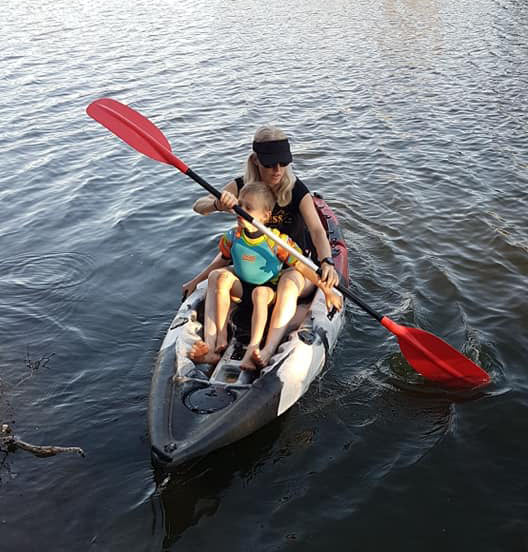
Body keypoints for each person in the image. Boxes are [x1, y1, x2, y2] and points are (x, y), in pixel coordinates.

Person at [183, 125, 341, 369]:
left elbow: (318, 231)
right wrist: (218, 203)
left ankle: (266, 349)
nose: (277, 170)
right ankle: (215, 346)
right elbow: (199, 207)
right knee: (218, 277)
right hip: (254, 269)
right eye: (269, 164)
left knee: (289, 280)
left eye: (283, 163)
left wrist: (327, 262)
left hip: (293, 266)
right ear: (256, 161)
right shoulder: (243, 189)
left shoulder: (296, 190)